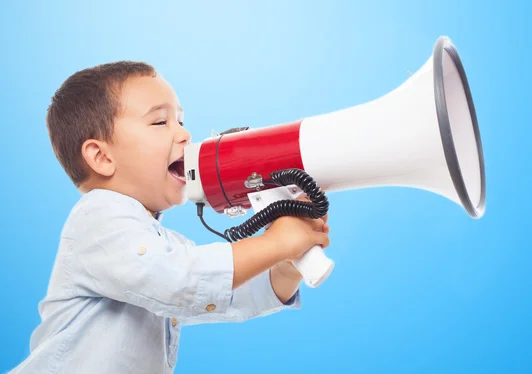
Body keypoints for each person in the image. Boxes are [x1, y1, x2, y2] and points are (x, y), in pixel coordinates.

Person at [10, 61, 331, 373]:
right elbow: (183, 280)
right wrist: (275, 242)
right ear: (102, 156)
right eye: (160, 122)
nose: (184, 135)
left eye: (180, 121)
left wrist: (283, 268)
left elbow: (220, 295)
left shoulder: (158, 243)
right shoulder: (97, 218)